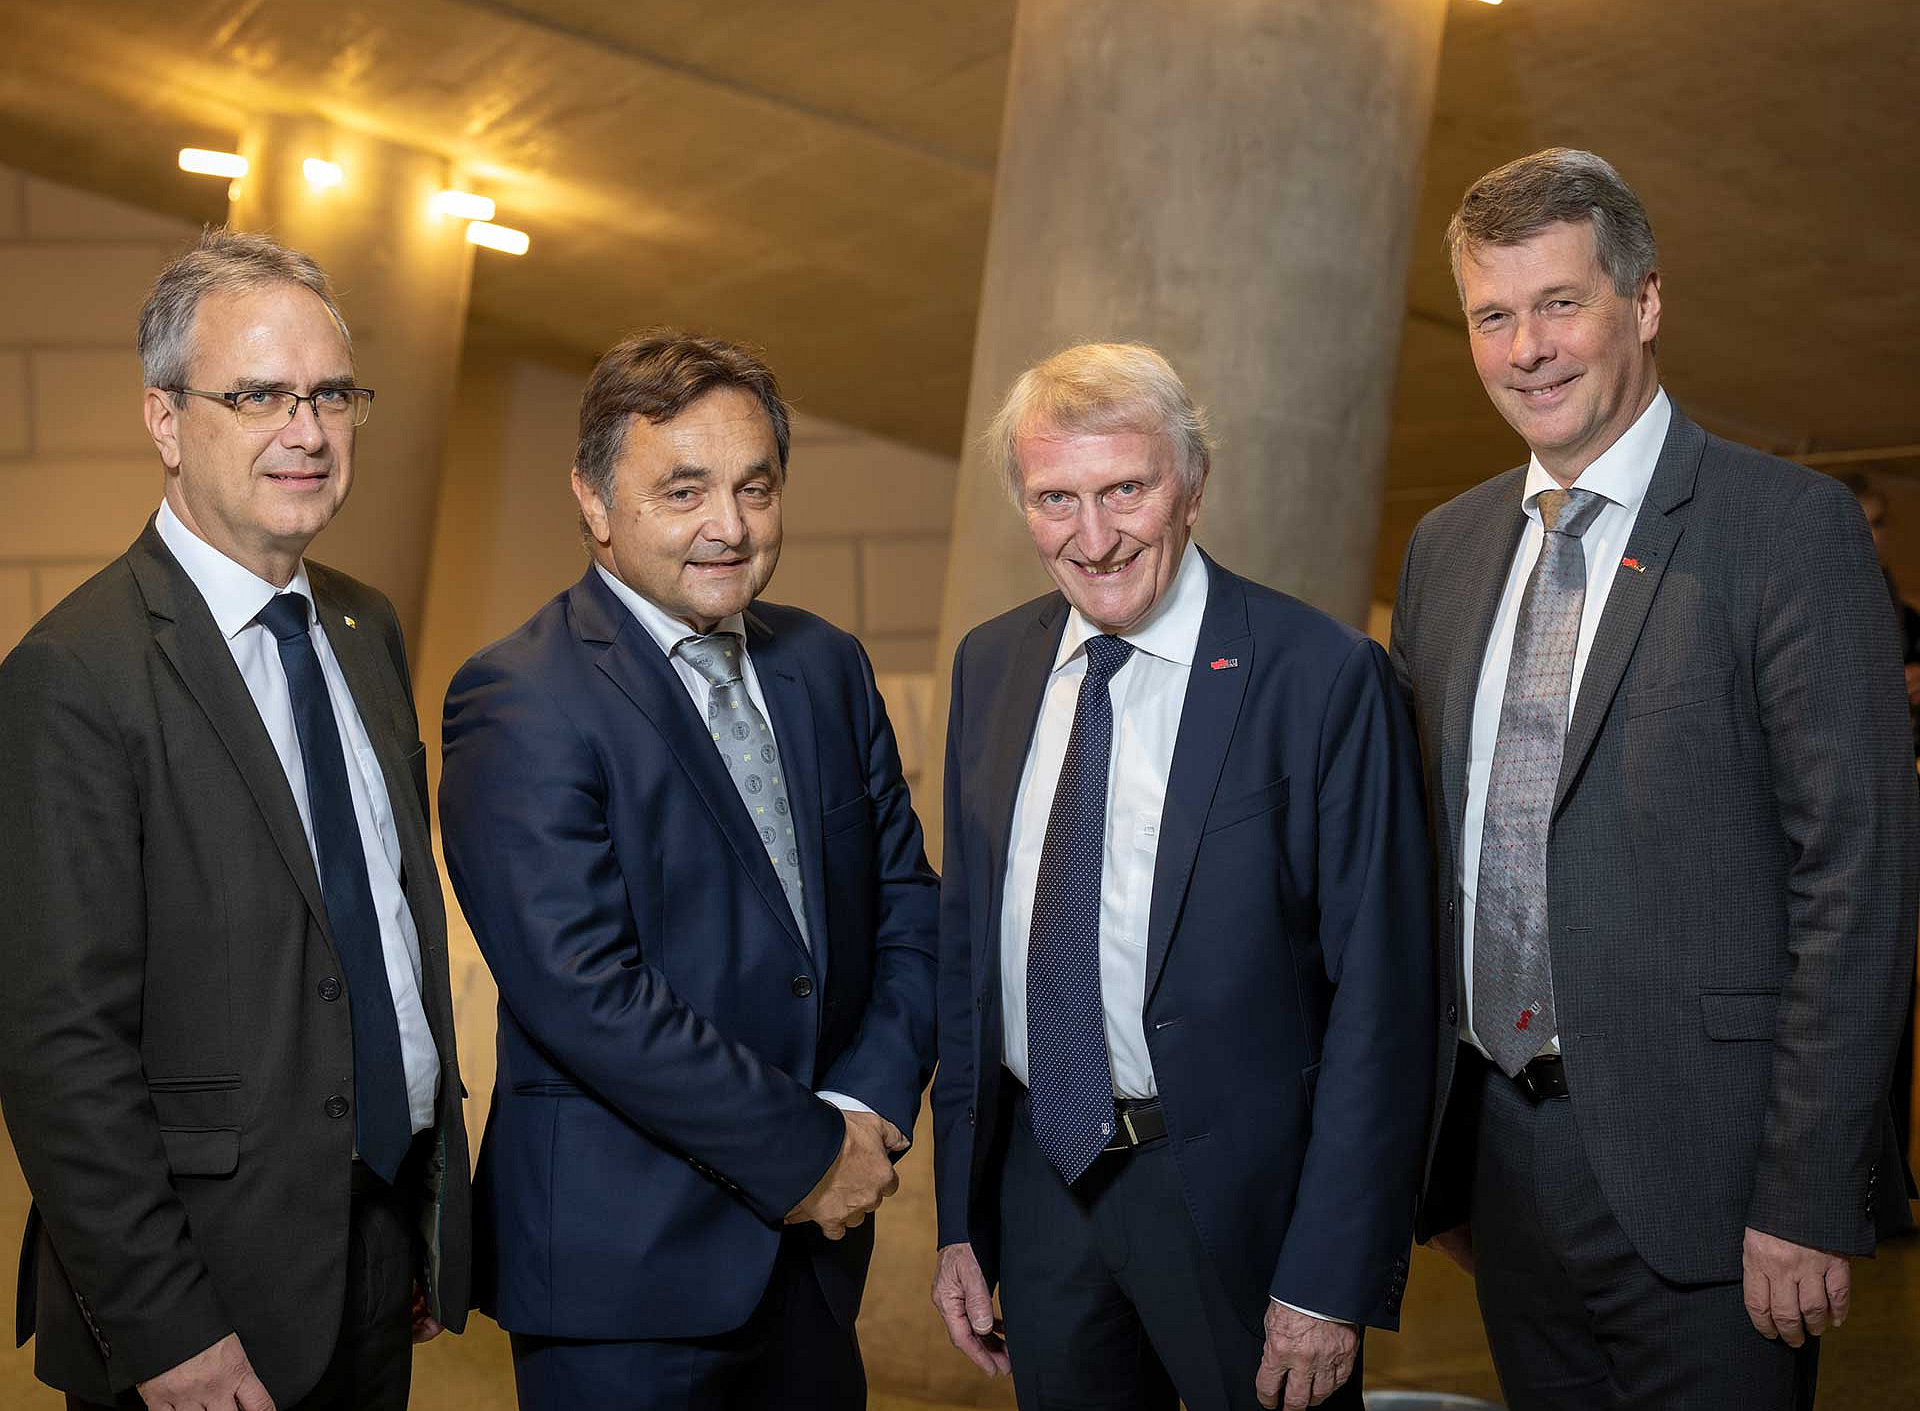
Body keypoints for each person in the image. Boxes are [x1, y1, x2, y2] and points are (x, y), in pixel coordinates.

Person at [1391, 148, 1918, 1410]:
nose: (1529, 348)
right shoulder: (1448, 549)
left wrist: (1806, 1194)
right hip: (1503, 1174)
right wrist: (1438, 1162)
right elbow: (1423, 856)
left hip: (1721, 1187)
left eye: (1560, 302)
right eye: (1492, 315)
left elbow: (1857, 882)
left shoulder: (1784, 531)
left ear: (1645, 303)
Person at [0, 228, 471, 1410]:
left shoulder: (366, 629)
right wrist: (166, 1333)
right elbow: (60, 1049)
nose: (305, 432)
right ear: (165, 419)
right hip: (201, 1300)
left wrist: (413, 1217)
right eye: (258, 394)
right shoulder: (75, 671)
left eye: (329, 394)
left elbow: (378, 939)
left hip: (369, 1252)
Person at [438, 330, 938, 1410]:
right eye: (684, 490)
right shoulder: (519, 698)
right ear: (593, 501)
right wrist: (809, 1149)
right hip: (626, 1273)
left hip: (815, 1257)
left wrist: (866, 1103)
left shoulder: (826, 665)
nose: (730, 527)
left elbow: (908, 910)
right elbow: (585, 993)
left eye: (755, 487)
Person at [929, 343, 1433, 1411]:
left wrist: (1328, 1277)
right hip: (1044, 1183)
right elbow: (968, 956)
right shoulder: (991, 664)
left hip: (1241, 1205)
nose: (1095, 536)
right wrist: (960, 1222)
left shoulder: (1322, 676)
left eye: (1127, 489)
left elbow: (1385, 1005)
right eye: (1056, 497)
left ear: (1192, 484)